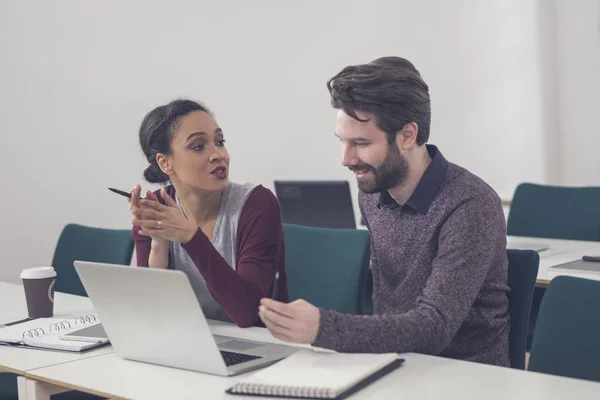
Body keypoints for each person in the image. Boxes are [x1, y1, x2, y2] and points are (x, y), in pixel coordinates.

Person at [258, 57, 510, 367]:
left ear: (407, 135)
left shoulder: (471, 205)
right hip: (395, 365)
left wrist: (323, 327)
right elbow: (388, 308)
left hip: (466, 375)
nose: (346, 159)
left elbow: (435, 327)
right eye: (343, 142)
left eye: (361, 143)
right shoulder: (373, 192)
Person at [129, 99, 287, 328]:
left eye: (220, 142)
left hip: (259, 343)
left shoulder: (256, 204)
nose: (218, 154)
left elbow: (246, 314)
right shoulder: (155, 210)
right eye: (198, 146)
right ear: (165, 163)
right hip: (189, 340)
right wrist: (158, 243)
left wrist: (192, 238)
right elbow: (153, 311)